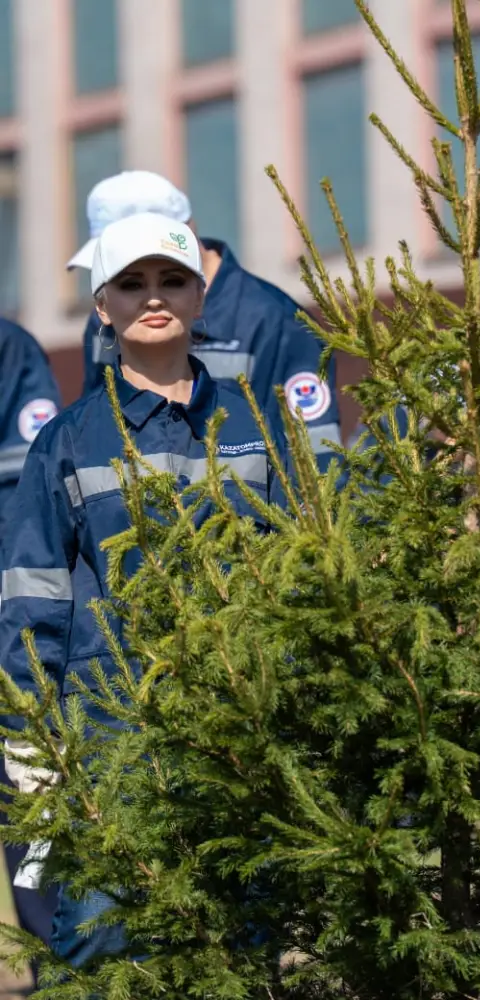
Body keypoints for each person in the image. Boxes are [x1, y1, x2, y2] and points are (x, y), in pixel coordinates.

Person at [0, 211, 288, 968]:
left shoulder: (254, 425)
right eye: (130, 284)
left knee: (242, 946)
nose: (151, 297)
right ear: (103, 306)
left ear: (199, 297)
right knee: (105, 941)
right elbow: (33, 595)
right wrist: (29, 729)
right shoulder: (66, 440)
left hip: (238, 728)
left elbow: (292, 569)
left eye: (171, 281)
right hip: (108, 738)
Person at [67, 170, 341, 471]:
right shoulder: (103, 325)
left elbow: (317, 464)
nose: (147, 297)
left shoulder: (275, 322)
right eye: (125, 279)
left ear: (185, 231)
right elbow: (91, 436)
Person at [0, 317, 61, 964]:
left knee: (31, 799)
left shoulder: (9, 348)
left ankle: (59, 964)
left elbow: (25, 498)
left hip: (7, 628)